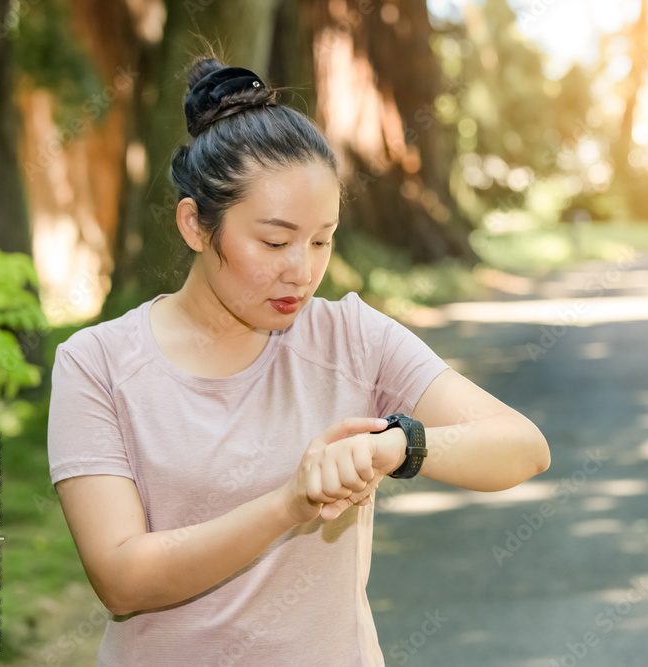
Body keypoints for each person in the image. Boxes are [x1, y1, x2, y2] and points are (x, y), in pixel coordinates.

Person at [47, 56, 550, 666]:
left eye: (321, 239)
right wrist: (291, 503)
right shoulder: (97, 363)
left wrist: (397, 446)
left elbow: (522, 446)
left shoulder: (352, 336)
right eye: (276, 241)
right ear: (195, 226)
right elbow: (122, 578)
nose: (303, 270)